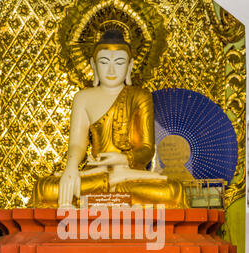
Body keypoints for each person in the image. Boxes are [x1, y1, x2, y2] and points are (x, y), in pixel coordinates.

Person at [29, 30, 188, 209]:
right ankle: (112, 193)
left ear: (130, 66)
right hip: (96, 176)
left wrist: (121, 159)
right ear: (93, 65)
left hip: (129, 176)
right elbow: (77, 145)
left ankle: (105, 194)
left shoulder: (140, 96)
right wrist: (71, 170)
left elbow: (146, 150)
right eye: (104, 62)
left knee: (174, 190)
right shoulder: (83, 98)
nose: (111, 70)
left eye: (119, 62)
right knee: (44, 188)